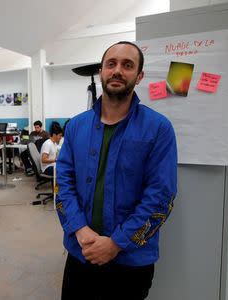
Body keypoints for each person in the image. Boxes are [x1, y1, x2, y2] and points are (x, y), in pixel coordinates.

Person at [56, 41, 177, 299]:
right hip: (81, 252)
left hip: (131, 262)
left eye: (127, 65)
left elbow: (161, 198)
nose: (117, 70)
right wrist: (79, 228)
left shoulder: (159, 129)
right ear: (101, 72)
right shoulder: (76, 126)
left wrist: (115, 243)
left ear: (139, 75)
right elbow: (63, 184)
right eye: (111, 64)